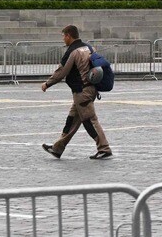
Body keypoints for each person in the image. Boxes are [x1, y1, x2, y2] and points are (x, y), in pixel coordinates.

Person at [40, 24, 112, 160]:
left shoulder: (73, 52)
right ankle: (57, 148)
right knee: (72, 120)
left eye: (63, 36)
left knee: (90, 120)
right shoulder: (89, 47)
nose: (63, 39)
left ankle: (104, 148)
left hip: (82, 91)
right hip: (90, 89)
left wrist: (47, 84)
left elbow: (61, 72)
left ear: (68, 36)